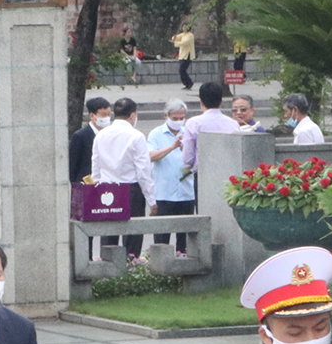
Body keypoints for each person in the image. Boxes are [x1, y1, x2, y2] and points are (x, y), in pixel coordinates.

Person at [92, 96, 152, 259]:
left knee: (109, 234)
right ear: (133, 114)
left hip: (107, 189)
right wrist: (151, 199)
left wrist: (96, 190)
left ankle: (107, 269)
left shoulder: (101, 135)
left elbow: (95, 167)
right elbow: (143, 171)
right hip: (131, 189)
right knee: (133, 234)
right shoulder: (136, 136)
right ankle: (131, 269)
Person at [147, 99, 196, 253]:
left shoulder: (189, 132)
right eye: (175, 118)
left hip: (186, 193)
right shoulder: (156, 134)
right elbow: (150, 156)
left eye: (182, 118)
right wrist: (172, 147)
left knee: (185, 238)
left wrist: (186, 152)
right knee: (162, 239)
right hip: (164, 193)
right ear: (166, 116)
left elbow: (200, 157)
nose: (179, 121)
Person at [180, 81, 240, 174]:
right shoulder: (233, 123)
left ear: (201, 101)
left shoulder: (193, 123)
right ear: (221, 101)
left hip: (202, 173)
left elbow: (188, 159)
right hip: (228, 173)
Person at [70, 96, 108, 185]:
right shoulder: (80, 136)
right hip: (86, 184)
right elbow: (73, 165)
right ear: (92, 116)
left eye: (108, 114)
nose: (106, 118)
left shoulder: (108, 135)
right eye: (103, 115)